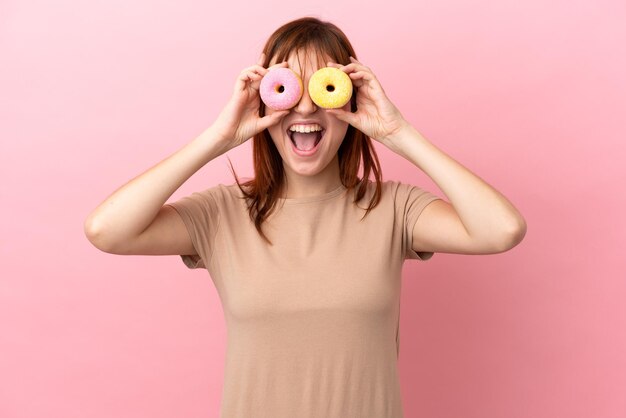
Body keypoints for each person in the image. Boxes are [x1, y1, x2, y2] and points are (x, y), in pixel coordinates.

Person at [84, 16, 526, 418]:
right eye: (287, 88)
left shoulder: (394, 209)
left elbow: (502, 229)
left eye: (322, 88)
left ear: (349, 98)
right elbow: (107, 230)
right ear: (262, 100)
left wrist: (399, 133)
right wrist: (218, 137)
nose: (306, 109)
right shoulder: (222, 214)